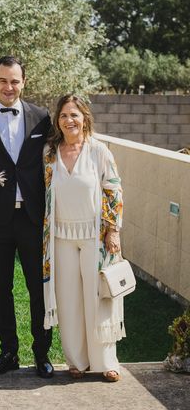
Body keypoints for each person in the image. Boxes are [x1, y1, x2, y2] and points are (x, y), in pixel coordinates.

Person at [0, 56, 54, 378]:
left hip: (32, 218)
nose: (9, 87)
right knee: (0, 289)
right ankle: (8, 353)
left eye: (15, 81)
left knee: (37, 287)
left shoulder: (42, 118)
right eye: (3, 80)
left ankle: (42, 353)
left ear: (23, 82)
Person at [42, 94, 124, 382]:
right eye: (63, 115)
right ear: (58, 121)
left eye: (74, 114)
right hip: (60, 236)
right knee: (69, 299)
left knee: (97, 298)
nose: (69, 120)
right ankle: (76, 361)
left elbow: (113, 190)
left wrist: (113, 229)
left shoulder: (99, 151)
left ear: (85, 118)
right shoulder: (50, 152)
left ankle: (105, 361)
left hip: (95, 236)